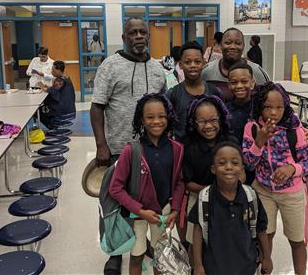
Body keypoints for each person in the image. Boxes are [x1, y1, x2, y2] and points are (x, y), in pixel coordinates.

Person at [90, 17, 166, 275]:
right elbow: (97, 106)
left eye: (142, 32)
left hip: (150, 149)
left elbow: (163, 108)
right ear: (124, 37)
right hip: (117, 149)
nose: (138, 36)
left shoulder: (157, 69)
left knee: (147, 200)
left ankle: (145, 246)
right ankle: (114, 252)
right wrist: (101, 145)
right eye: (132, 32)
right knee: (113, 204)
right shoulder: (109, 66)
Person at [242, 82, 308, 275]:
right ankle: (265, 270)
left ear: (286, 107)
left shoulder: (294, 127)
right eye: (267, 107)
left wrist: (292, 168)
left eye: (279, 107)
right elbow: (248, 163)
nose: (273, 112)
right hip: (264, 190)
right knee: (265, 236)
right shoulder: (253, 127)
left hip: (293, 193)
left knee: (297, 240)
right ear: (259, 107)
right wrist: (260, 141)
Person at [109, 93, 185, 275]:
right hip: (138, 215)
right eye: (150, 117)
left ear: (169, 117)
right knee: (137, 256)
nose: (156, 121)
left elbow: (180, 182)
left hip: (164, 214)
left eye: (161, 116)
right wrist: (140, 210)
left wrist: (175, 210)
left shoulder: (177, 148)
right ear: (141, 120)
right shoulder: (132, 150)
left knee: (160, 255)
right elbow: (115, 188)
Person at [189, 142, 272, 275]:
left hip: (246, 267)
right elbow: (198, 230)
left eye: (235, 163)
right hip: (213, 268)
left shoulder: (250, 196)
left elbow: (261, 229)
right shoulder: (205, 197)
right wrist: (198, 265)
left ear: (242, 168)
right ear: (213, 169)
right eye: (222, 163)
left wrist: (267, 257)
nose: (228, 167)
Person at [182, 95, 241, 248]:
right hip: (199, 197)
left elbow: (241, 172)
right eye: (202, 121)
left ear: (220, 118)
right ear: (194, 123)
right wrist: (212, 192)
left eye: (213, 120)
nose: (208, 126)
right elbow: (188, 182)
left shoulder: (231, 142)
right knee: (195, 242)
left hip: (231, 198)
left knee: (225, 240)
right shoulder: (189, 148)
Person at [166, 41, 221, 142]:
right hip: (184, 153)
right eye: (188, 62)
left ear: (204, 63)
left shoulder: (214, 92)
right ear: (180, 64)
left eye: (197, 62)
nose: (193, 65)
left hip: (210, 150)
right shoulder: (173, 94)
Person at [202, 28, 269, 102]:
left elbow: (268, 102)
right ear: (221, 45)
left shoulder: (257, 72)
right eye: (228, 43)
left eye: (238, 43)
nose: (233, 47)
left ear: (243, 46)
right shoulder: (207, 72)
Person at [38, 61, 76, 129]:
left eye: (53, 70)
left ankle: (53, 126)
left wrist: (43, 88)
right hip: (69, 108)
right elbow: (55, 88)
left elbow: (53, 90)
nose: (52, 72)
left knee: (39, 111)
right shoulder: (66, 77)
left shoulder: (60, 79)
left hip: (63, 109)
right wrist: (47, 87)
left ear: (58, 70)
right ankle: (54, 124)